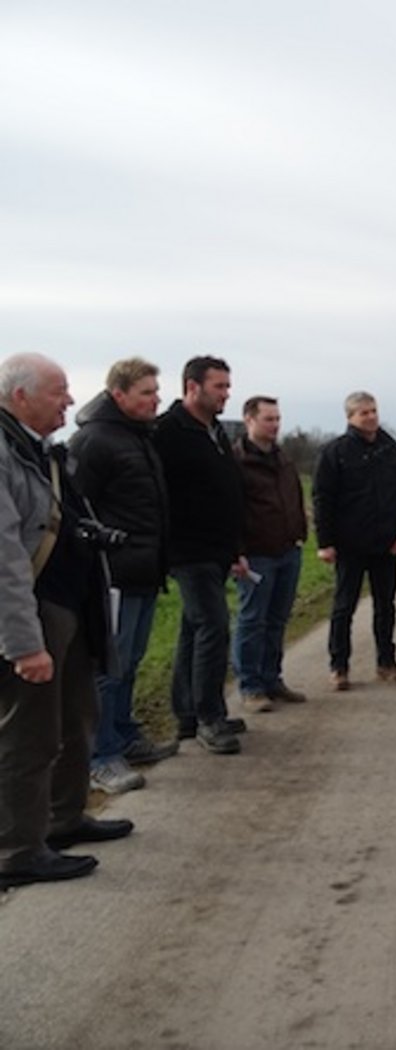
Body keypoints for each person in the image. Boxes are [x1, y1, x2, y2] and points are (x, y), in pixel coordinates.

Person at [0, 353, 132, 890]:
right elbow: (4, 558)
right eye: (59, 391)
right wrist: (24, 644)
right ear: (21, 396)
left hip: (69, 606)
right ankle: (17, 850)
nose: (70, 401)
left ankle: (64, 818)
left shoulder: (41, 451)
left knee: (76, 718)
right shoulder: (6, 453)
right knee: (28, 735)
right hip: (32, 613)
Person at [68, 357, 178, 794]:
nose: (156, 399)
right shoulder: (94, 441)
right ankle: (99, 756)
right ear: (119, 395)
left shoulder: (137, 437)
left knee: (129, 662)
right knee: (108, 668)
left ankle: (125, 735)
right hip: (113, 573)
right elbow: (78, 511)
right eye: (147, 392)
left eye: (156, 391)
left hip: (144, 569)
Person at [153, 356, 249, 755]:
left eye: (228, 386)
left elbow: (226, 491)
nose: (226, 393)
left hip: (215, 549)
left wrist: (234, 548)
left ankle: (189, 715)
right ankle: (210, 716)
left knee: (194, 629)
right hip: (187, 549)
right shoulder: (168, 433)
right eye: (219, 387)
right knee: (213, 626)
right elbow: (160, 495)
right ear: (193, 387)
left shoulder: (215, 431)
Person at [313, 391, 396, 690]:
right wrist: (325, 542)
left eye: (373, 411)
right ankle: (339, 666)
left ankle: (386, 662)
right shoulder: (336, 452)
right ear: (350, 417)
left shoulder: (389, 448)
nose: (370, 417)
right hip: (350, 543)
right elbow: (323, 499)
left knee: (387, 605)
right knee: (344, 607)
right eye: (363, 413)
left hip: (386, 542)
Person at [232, 396, 309, 713]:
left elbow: (294, 496)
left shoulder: (284, 459)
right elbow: (233, 509)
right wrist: (237, 551)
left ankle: (271, 678)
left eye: (277, 419)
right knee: (253, 621)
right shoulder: (237, 462)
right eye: (268, 419)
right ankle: (250, 686)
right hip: (257, 554)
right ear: (249, 420)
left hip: (288, 549)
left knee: (278, 619)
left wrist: (301, 533)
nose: (275, 425)